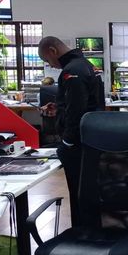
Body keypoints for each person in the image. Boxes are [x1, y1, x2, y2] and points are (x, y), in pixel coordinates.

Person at [38, 36, 104, 225]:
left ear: (53, 51)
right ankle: (89, 231)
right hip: (91, 139)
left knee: (79, 193)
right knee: (86, 192)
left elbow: (77, 111)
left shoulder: (72, 71)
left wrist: (67, 143)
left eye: (47, 60)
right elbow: (85, 103)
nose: (50, 65)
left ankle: (83, 233)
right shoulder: (86, 65)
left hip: (79, 144)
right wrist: (59, 108)